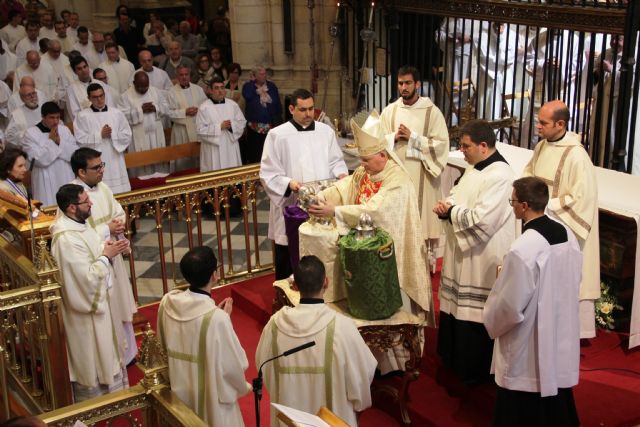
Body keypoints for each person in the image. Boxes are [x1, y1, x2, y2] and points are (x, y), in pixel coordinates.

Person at [308, 110, 434, 372]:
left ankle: (393, 364)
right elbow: (344, 188)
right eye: (361, 160)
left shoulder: (397, 181)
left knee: (386, 308)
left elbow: (377, 211)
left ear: (383, 155)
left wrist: (336, 212)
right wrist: (323, 197)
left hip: (389, 257)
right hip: (363, 253)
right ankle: (366, 360)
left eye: (366, 160)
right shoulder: (366, 172)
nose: (362, 165)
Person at [483, 176, 582, 427]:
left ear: (524, 206)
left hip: (530, 338)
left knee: (526, 392)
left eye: (512, 201)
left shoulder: (524, 247)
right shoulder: (567, 234)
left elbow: (509, 306)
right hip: (560, 326)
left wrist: (491, 316)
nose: (512, 205)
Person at [433, 119, 515, 385]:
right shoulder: (474, 168)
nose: (462, 150)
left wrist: (451, 211)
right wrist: (448, 205)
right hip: (464, 253)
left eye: (466, 146)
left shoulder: (501, 175)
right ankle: (453, 358)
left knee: (474, 313)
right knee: (455, 307)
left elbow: (483, 219)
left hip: (483, 256)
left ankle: (474, 368)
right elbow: (458, 194)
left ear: (483, 145)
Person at [256, 255, 377, 427]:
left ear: (295, 286)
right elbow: (362, 375)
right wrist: (358, 404)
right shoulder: (342, 327)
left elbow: (264, 368)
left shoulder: (275, 326)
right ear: (326, 283)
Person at [522, 99, 600, 339]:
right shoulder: (542, 146)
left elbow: (582, 197)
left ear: (561, 124)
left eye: (543, 123)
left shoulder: (577, 156)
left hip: (559, 227)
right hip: (539, 222)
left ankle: (565, 331)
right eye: (538, 121)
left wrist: (547, 207)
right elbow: (528, 174)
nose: (538, 127)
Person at [50, 183, 130, 402]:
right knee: (94, 356)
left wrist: (110, 246)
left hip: (102, 305)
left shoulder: (79, 226)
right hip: (87, 312)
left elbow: (93, 240)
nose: (91, 203)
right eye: (86, 201)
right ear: (71, 208)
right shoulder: (65, 239)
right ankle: (97, 402)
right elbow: (85, 279)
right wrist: (107, 256)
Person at [157, 246, 251, 426]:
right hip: (211, 404)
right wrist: (223, 320)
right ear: (214, 276)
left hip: (177, 394)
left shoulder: (167, 303)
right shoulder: (216, 319)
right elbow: (235, 366)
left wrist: (218, 317)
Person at [260, 88, 347, 280]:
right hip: (292, 205)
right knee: (289, 253)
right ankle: (287, 298)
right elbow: (268, 172)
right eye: (303, 109)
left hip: (320, 204)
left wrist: (341, 174)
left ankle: (319, 293)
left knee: (320, 250)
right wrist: (288, 183)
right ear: (291, 109)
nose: (309, 114)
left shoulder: (326, 132)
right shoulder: (277, 135)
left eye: (311, 108)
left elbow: (336, 161)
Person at [70, 147, 138, 365]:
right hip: (95, 262)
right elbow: (76, 234)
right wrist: (108, 229)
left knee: (121, 304)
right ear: (81, 172)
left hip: (114, 255)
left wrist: (119, 223)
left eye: (102, 165)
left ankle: (128, 354)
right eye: (96, 167)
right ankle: (113, 357)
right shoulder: (73, 196)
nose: (102, 171)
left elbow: (118, 211)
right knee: (109, 307)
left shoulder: (104, 188)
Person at [380, 65, 449, 258]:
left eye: (408, 83)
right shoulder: (389, 111)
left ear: (417, 84)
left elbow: (442, 145)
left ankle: (422, 271)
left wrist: (413, 138)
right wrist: (394, 137)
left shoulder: (431, 112)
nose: (404, 87)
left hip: (423, 181)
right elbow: (378, 141)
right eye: (401, 83)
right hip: (396, 178)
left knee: (420, 231)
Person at [74, 83, 132, 193]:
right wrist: (100, 135)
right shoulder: (82, 116)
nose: (99, 100)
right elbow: (80, 139)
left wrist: (112, 134)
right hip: (96, 159)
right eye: (95, 97)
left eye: (101, 96)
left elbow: (127, 134)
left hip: (115, 158)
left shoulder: (116, 113)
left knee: (119, 192)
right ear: (89, 98)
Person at [22, 102, 77, 206]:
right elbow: (38, 160)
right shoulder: (30, 133)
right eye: (51, 118)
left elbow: (74, 154)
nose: (55, 121)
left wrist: (59, 142)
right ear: (43, 117)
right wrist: (51, 142)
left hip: (65, 175)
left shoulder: (64, 130)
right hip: (44, 179)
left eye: (58, 117)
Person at [118, 70, 169, 177]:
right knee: (141, 167)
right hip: (138, 136)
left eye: (146, 87)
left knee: (158, 160)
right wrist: (140, 110)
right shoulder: (125, 96)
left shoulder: (155, 91)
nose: (144, 90)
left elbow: (166, 107)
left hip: (156, 134)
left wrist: (155, 108)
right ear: (134, 83)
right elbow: (121, 116)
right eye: (141, 87)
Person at [196, 75, 245, 173]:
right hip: (213, 148)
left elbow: (242, 122)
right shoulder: (204, 108)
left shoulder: (233, 105)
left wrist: (232, 126)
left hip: (230, 145)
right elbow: (200, 129)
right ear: (210, 91)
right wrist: (219, 127)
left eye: (222, 87)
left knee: (232, 174)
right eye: (216, 88)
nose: (220, 91)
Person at [167, 64, 207, 171]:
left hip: (197, 128)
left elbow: (206, 107)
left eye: (186, 74)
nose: (184, 77)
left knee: (198, 160)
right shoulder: (171, 92)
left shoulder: (198, 89)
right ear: (177, 77)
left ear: (190, 75)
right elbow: (169, 113)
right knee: (183, 161)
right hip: (181, 131)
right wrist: (185, 112)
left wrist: (198, 110)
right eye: (181, 75)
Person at [242, 66, 282, 164]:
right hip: (254, 127)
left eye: (265, 73)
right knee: (256, 154)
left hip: (270, 125)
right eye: (261, 74)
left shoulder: (271, 86)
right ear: (254, 75)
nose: (264, 76)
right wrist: (252, 82)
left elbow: (277, 103)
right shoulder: (248, 86)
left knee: (270, 153)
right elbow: (247, 96)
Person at [66, 56, 115, 121]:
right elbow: (74, 114)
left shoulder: (101, 84)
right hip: (87, 125)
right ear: (75, 72)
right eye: (79, 69)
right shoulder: (71, 90)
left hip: (106, 120)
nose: (83, 70)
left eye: (85, 66)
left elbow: (110, 105)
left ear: (88, 67)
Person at [5, 80, 41, 147]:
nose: (32, 97)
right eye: (28, 95)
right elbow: (9, 136)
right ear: (22, 99)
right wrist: (26, 136)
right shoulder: (18, 114)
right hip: (28, 149)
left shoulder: (44, 109)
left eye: (33, 93)